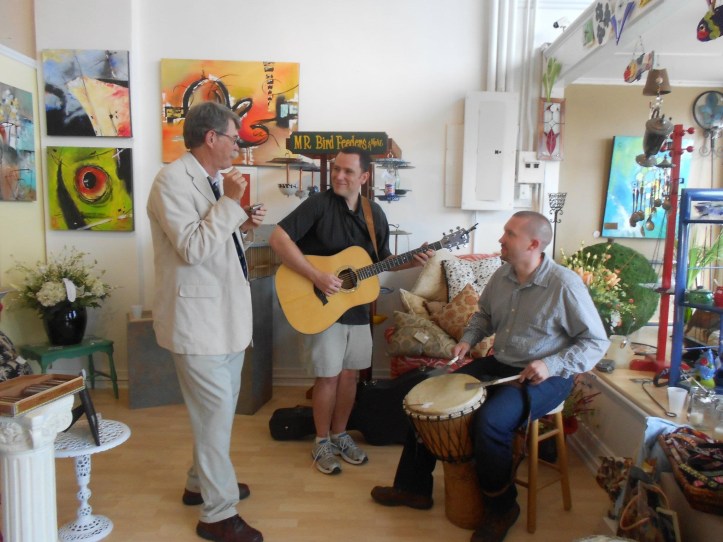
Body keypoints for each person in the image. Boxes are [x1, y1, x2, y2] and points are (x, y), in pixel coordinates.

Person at [371, 211, 609, 542]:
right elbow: (483, 315)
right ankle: (413, 488)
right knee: (426, 398)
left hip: (549, 377)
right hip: (502, 362)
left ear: (533, 244)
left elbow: (596, 342)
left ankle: (502, 508)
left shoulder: (564, 284)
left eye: (510, 234)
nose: (501, 239)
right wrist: (468, 339)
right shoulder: (502, 275)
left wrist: (551, 364)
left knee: (491, 423)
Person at [269, 146, 431, 475]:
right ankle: (321, 441)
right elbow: (278, 239)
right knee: (327, 376)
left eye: (348, 171)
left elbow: (382, 261)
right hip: (320, 304)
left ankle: (340, 435)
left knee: (349, 376)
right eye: (336, 170)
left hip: (355, 306)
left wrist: (411, 261)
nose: (339, 176)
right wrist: (316, 275)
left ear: (364, 177)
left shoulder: (374, 214)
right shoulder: (317, 204)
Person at [147, 101, 266, 542]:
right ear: (211, 137)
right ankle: (217, 514)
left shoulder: (213, 181)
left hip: (225, 320)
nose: (238, 145)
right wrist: (231, 204)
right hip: (197, 323)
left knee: (217, 415)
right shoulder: (171, 181)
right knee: (214, 417)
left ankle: (199, 483)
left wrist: (242, 224)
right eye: (234, 138)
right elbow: (193, 248)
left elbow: (216, 247)